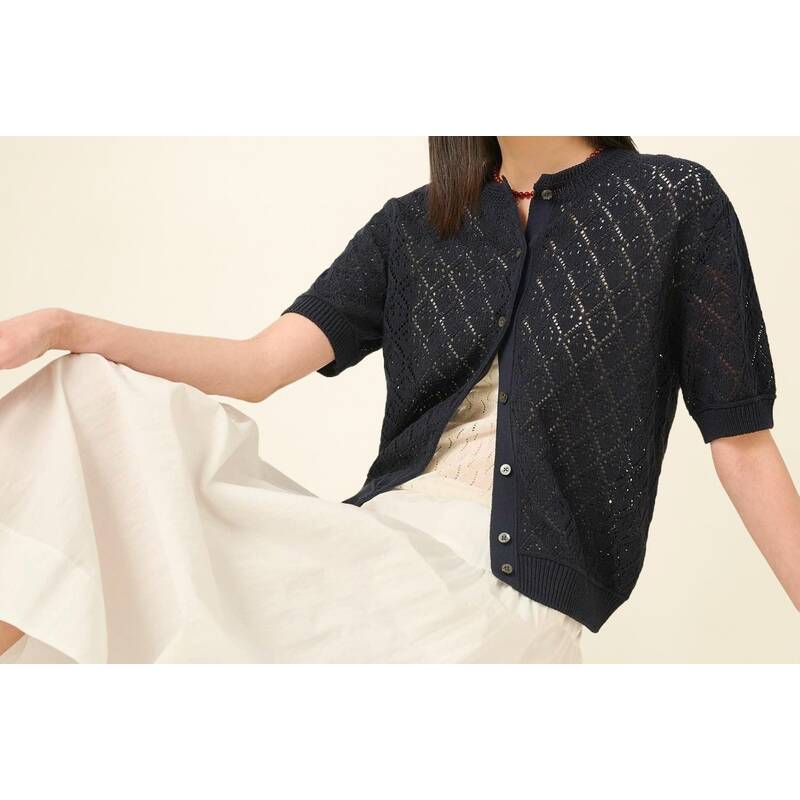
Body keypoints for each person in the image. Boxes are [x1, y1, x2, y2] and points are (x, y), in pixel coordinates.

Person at [0, 136, 797, 663]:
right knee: (85, 395)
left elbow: (743, 445)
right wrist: (63, 327)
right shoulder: (415, 225)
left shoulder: (673, 202)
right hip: (377, 551)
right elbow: (256, 366)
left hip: (504, 600)